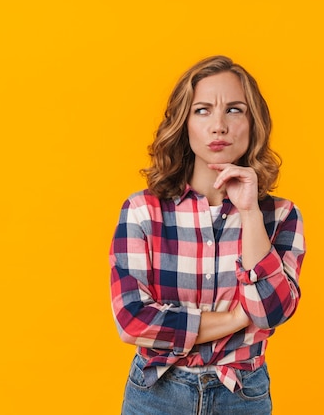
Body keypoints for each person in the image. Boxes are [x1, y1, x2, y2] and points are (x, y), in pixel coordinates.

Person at [109, 55, 306, 415]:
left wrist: (249, 212)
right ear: (184, 123)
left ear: (253, 123)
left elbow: (270, 313)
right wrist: (234, 319)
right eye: (202, 110)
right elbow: (132, 320)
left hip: (242, 394)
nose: (219, 126)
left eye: (234, 110)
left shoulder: (279, 216)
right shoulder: (143, 212)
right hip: (156, 392)